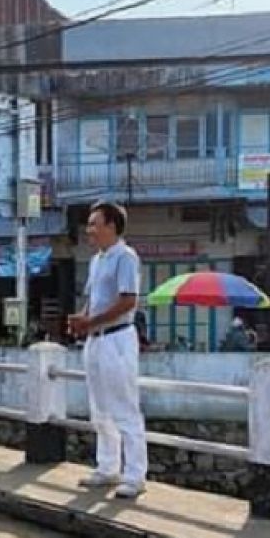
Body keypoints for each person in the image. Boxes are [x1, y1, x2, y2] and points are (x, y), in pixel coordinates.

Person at [68, 202, 148, 499]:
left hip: (117, 338)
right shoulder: (97, 260)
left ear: (111, 226)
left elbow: (128, 301)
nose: (90, 230)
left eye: (94, 224)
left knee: (125, 407)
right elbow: (94, 299)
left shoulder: (125, 257)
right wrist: (82, 319)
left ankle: (135, 473)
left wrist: (92, 321)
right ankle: (108, 467)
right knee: (99, 407)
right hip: (97, 338)